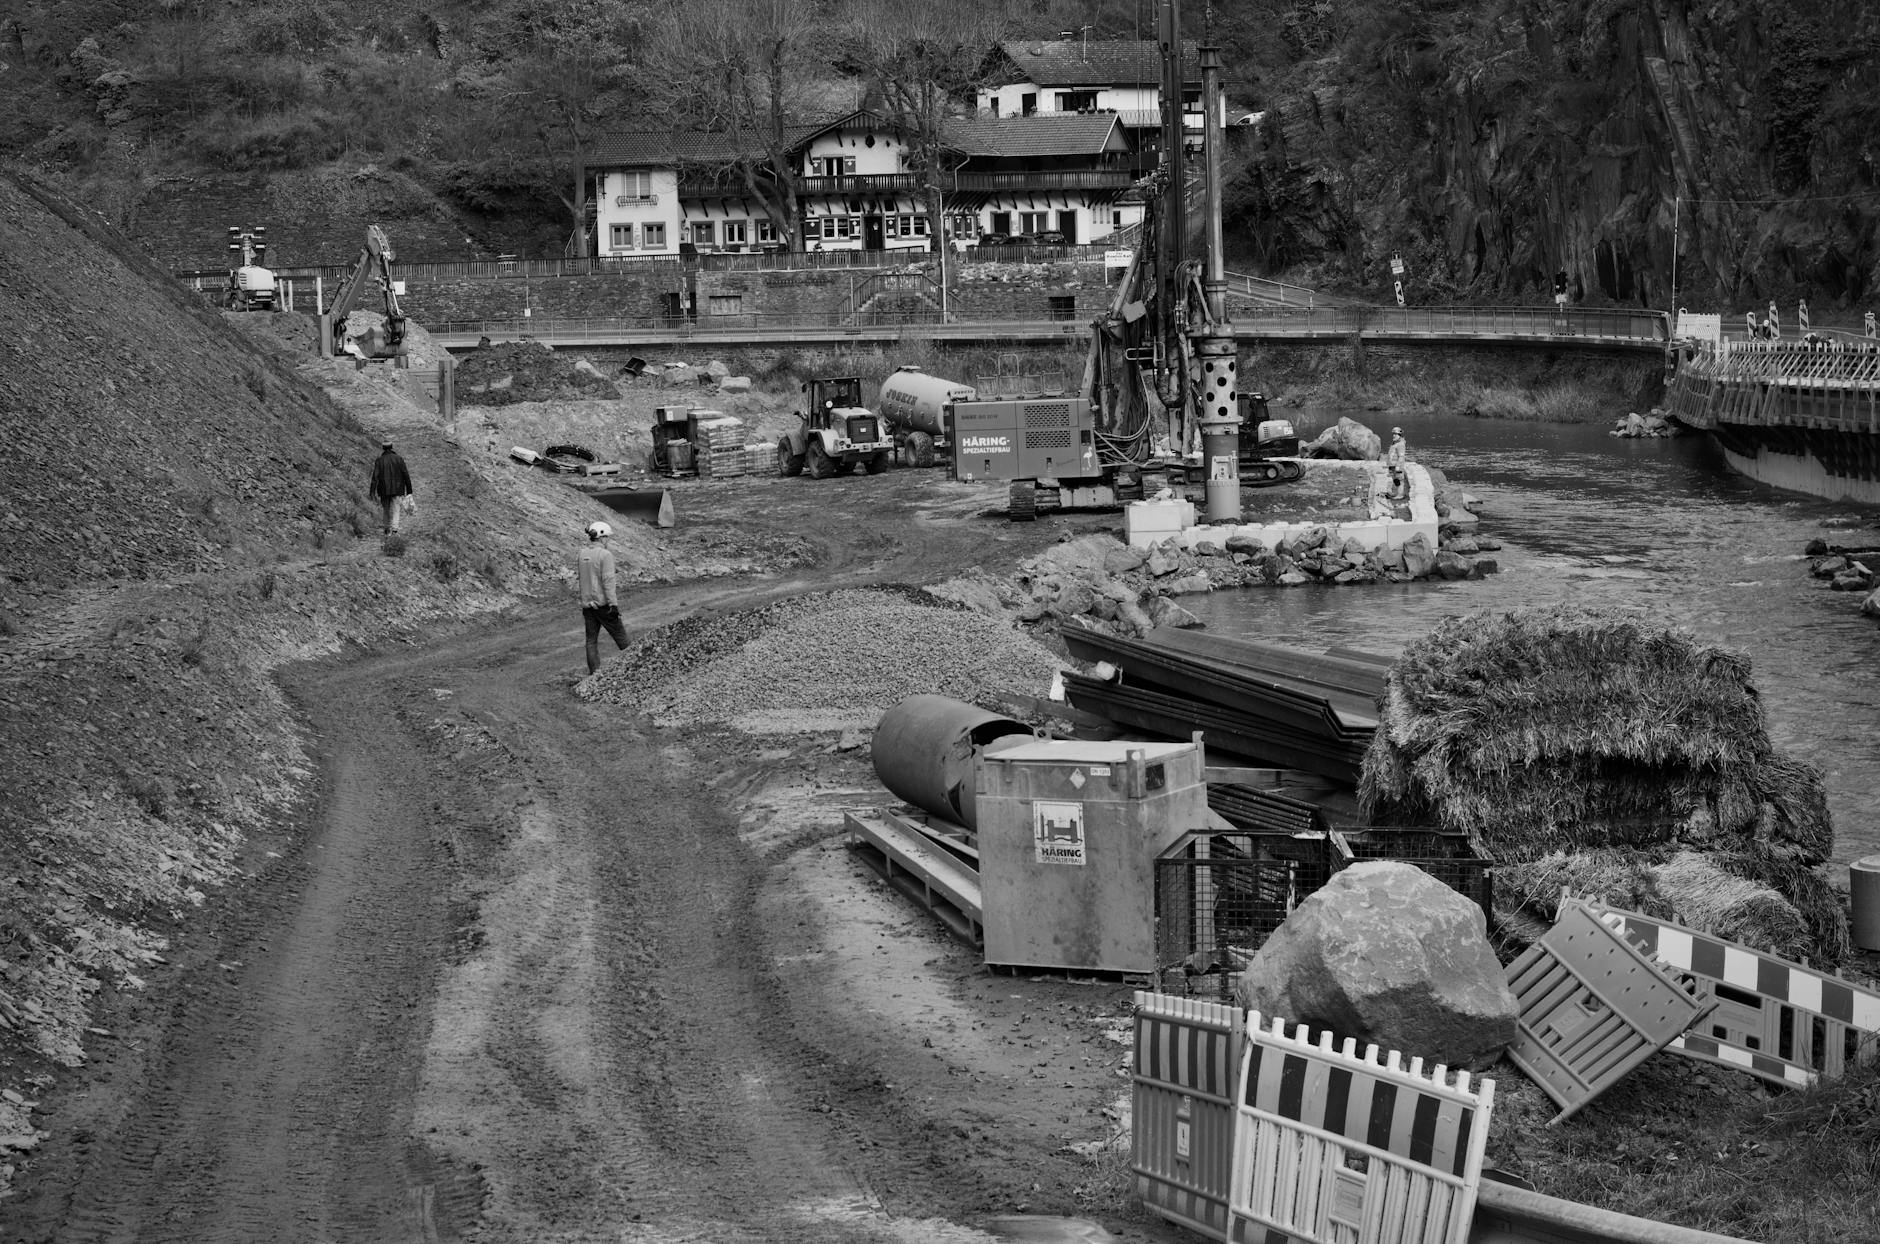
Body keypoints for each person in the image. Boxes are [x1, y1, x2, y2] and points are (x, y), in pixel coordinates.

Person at [579, 520, 629, 675]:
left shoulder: (582, 554)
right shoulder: (605, 555)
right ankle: (635, 670)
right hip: (604, 606)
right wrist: (613, 605)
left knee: (591, 641)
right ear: (601, 537)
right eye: (607, 538)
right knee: (623, 640)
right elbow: (608, 581)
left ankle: (594, 675)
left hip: (588, 606)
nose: (608, 541)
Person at [368, 441, 413, 535]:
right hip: (398, 489)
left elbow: (375, 477)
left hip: (383, 489)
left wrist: (372, 492)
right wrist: (409, 491)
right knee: (396, 509)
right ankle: (395, 530)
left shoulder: (379, 460)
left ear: (383, 448)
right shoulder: (399, 459)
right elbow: (405, 474)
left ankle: (386, 529)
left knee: (386, 509)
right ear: (392, 447)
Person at [1385, 426, 1409, 500]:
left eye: (1396, 434)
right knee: (1395, 479)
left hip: (1397, 466)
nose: (1394, 435)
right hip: (1392, 465)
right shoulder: (1394, 443)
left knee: (1399, 480)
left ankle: (1400, 495)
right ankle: (1395, 493)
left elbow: (1401, 457)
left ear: (1400, 435)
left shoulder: (1400, 444)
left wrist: (1398, 466)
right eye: (1393, 434)